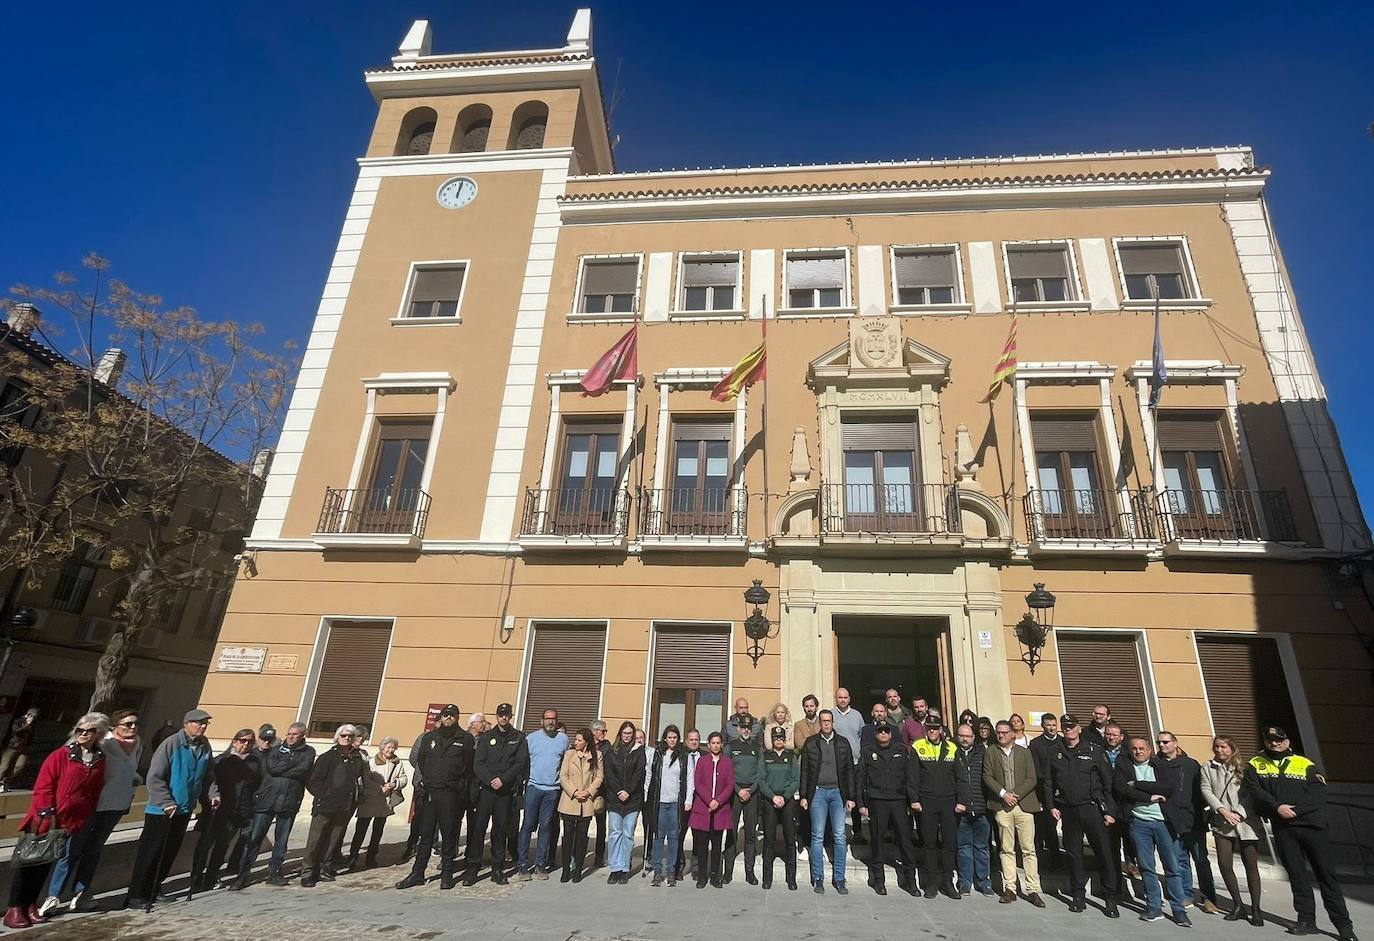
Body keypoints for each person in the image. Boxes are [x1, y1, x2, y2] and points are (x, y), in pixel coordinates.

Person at [1244, 726, 1356, 941]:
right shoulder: (1255, 764)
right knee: (1296, 876)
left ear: (1287, 741)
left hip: (1313, 827)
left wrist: (1293, 811)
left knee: (1326, 876)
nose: (1274, 743)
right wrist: (1277, 808)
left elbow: (1317, 793)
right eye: (1270, 740)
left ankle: (1343, 926)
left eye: (1278, 740)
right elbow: (1255, 791)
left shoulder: (1304, 763)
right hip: (1284, 829)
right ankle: (1306, 920)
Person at [8, 713, 107, 929]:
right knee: (29, 863)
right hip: (46, 819)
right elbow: (44, 785)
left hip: (70, 822)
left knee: (45, 863)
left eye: (88, 731)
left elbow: (95, 788)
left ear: (97, 734)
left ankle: (31, 904)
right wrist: (46, 811)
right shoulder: (61, 755)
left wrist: (88, 810)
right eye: (79, 729)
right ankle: (15, 908)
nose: (82, 734)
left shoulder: (98, 758)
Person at [51, 708, 142, 912]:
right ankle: (53, 896)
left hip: (116, 806)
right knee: (72, 850)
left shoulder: (137, 744)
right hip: (91, 805)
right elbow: (73, 755)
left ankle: (82, 894)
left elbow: (130, 770)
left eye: (136, 723)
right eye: (128, 724)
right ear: (115, 727)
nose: (133, 727)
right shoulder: (104, 741)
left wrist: (134, 782)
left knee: (94, 850)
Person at [125, 709, 213, 908]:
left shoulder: (204, 745)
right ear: (187, 724)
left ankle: (155, 888)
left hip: (184, 808)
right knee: (150, 853)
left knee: (169, 852)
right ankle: (136, 894)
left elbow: (209, 775)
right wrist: (165, 801)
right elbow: (154, 777)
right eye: (199, 723)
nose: (203, 726)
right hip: (162, 810)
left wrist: (213, 794)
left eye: (206, 723)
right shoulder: (171, 743)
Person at [1045, 714, 1120, 918]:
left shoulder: (1094, 751)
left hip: (1092, 809)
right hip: (1068, 810)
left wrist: (1110, 811)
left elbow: (1108, 784)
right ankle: (1078, 895)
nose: (1068, 730)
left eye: (1071, 726)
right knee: (1074, 854)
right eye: (1065, 727)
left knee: (1104, 853)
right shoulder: (1055, 752)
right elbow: (1049, 782)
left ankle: (1111, 898)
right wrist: (1051, 805)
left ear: (1079, 728)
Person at [396, 704, 474, 890]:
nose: (448, 718)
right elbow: (421, 761)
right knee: (426, 836)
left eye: (452, 715)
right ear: (441, 717)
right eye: (445, 715)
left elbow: (469, 766)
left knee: (448, 835)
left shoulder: (465, 739)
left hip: (450, 794)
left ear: (457, 718)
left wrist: (459, 787)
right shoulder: (430, 738)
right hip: (430, 792)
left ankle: (447, 873)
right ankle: (417, 873)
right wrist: (426, 782)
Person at [1114, 734, 1189, 926]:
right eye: (1134, 749)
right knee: (1147, 868)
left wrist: (1138, 784)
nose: (1138, 752)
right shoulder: (1124, 766)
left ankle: (1178, 910)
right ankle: (1154, 907)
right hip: (1138, 823)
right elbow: (1121, 789)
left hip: (1163, 823)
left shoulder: (1160, 765)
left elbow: (1167, 787)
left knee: (1172, 868)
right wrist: (1150, 797)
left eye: (1142, 748)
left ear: (1149, 750)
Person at [233, 721, 314, 889]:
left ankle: (274, 872)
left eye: (295, 735)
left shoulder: (308, 751)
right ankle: (243, 874)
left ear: (302, 736)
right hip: (266, 800)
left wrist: (284, 767)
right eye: (288, 734)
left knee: (281, 841)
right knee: (254, 838)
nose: (290, 737)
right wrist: (290, 765)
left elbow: (303, 769)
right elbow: (272, 768)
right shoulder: (275, 750)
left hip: (289, 801)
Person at [190, 728, 262, 893]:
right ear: (235, 741)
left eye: (250, 741)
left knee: (222, 846)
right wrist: (210, 801)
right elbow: (206, 784)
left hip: (238, 812)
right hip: (215, 811)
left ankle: (211, 877)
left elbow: (257, 786)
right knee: (205, 845)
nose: (245, 744)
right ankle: (196, 877)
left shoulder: (255, 763)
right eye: (242, 740)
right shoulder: (221, 761)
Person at [1201, 735, 1263, 926]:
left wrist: (1239, 813)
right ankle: (1238, 905)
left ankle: (1256, 908)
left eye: (1223, 747)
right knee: (1224, 864)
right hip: (1222, 821)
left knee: (1251, 865)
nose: (1219, 750)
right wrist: (1222, 810)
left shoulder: (1244, 768)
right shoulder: (1208, 767)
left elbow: (1251, 794)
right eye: (1217, 747)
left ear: (1232, 748)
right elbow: (1206, 789)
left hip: (1246, 822)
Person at [982, 719, 1045, 907]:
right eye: (998, 732)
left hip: (1024, 806)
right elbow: (987, 776)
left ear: (1012, 734)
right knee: (1006, 848)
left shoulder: (1024, 752)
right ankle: (1010, 888)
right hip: (1002, 806)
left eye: (1004, 732)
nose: (1001, 735)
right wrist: (1003, 794)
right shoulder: (991, 752)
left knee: (1028, 849)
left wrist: (1015, 795)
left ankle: (1033, 889)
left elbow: (1031, 778)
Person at [1154, 731, 1218, 912]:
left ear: (1175, 743)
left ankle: (1209, 898)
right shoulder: (1156, 764)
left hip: (1194, 820)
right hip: (1171, 819)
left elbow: (1202, 790)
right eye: (1159, 742)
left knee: (1201, 860)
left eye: (1166, 742)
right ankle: (1185, 895)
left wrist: (1205, 812)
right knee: (1180, 859)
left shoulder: (1191, 764)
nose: (1162, 745)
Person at [464, 703, 527, 885]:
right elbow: (478, 763)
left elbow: (519, 763)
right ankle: (473, 868)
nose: (504, 718)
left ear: (511, 716)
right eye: (501, 715)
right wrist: (491, 779)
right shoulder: (487, 737)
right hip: (486, 791)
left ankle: (497, 869)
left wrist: (504, 780)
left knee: (500, 831)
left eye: (507, 714)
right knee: (478, 829)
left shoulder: (518, 738)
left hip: (505, 793)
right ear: (497, 716)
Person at [299, 724, 366, 888]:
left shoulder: (357, 758)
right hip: (325, 806)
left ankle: (324, 868)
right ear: (337, 737)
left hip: (345, 806)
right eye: (344, 736)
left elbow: (359, 779)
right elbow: (313, 781)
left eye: (350, 736)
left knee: (332, 840)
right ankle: (307, 872)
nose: (347, 738)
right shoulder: (327, 757)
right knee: (315, 840)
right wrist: (324, 795)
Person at [857, 719, 917, 897]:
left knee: (905, 842)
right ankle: (879, 880)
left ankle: (910, 881)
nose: (883, 733)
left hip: (899, 800)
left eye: (886, 731)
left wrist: (911, 801)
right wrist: (861, 804)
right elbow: (861, 779)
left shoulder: (901, 751)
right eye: (880, 731)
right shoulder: (868, 752)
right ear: (875, 734)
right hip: (877, 801)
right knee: (877, 841)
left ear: (891, 734)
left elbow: (909, 778)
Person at [801, 708, 855, 895]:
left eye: (829, 721)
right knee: (817, 835)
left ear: (833, 723)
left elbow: (849, 771)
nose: (826, 723)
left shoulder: (843, 743)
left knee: (840, 836)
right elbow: (805, 771)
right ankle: (818, 878)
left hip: (838, 794)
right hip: (818, 794)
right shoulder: (810, 743)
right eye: (823, 721)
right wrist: (804, 796)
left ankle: (839, 878)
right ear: (819, 723)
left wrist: (851, 797)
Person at [913, 709, 961, 899]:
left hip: (949, 802)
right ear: (926, 729)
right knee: (929, 843)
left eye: (935, 728)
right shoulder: (918, 746)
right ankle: (931, 884)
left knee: (949, 843)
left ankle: (948, 882)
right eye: (930, 728)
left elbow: (959, 777)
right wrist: (914, 799)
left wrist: (961, 801)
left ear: (941, 730)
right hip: (927, 801)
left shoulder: (952, 748)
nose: (932, 731)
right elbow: (913, 776)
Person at [515, 708, 566, 881]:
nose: (550, 722)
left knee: (545, 827)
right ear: (541, 721)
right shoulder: (531, 739)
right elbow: (522, 763)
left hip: (552, 790)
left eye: (553, 719)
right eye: (547, 719)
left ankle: (540, 864)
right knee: (528, 826)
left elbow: (565, 764)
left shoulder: (563, 739)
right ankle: (522, 865)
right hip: (533, 788)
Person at [345, 736, 406, 871]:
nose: (390, 750)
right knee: (361, 830)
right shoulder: (372, 762)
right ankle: (353, 856)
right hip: (370, 799)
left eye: (392, 747)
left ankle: (372, 856)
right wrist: (380, 788)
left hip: (385, 802)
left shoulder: (398, 763)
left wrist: (394, 784)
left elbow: (403, 778)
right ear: (382, 748)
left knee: (378, 830)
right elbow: (366, 779)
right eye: (388, 747)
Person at [603, 720, 646, 884]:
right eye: (624, 733)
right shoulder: (612, 751)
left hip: (632, 800)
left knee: (628, 834)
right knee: (614, 834)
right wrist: (619, 791)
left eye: (630, 733)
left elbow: (639, 773)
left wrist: (628, 790)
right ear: (620, 734)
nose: (627, 736)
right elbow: (609, 773)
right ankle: (614, 868)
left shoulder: (638, 751)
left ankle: (624, 869)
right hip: (615, 799)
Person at [557, 728, 603, 883]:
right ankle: (565, 869)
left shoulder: (597, 756)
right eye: (575, 740)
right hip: (570, 800)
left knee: (582, 836)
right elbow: (563, 776)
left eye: (579, 740)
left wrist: (588, 792)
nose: (576, 742)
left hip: (586, 802)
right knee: (568, 835)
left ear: (587, 742)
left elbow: (599, 777)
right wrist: (574, 791)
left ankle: (578, 868)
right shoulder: (569, 755)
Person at [689, 731, 733, 889]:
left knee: (716, 845)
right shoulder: (702, 761)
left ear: (721, 745)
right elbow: (698, 782)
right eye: (713, 743)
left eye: (718, 743)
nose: (715, 745)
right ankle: (702, 875)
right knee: (701, 845)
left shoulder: (727, 762)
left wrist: (718, 801)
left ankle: (715, 875)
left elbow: (729, 785)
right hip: (704, 808)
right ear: (708, 745)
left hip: (720, 810)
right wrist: (710, 800)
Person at [953, 722, 993, 897]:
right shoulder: (953, 754)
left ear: (973, 737)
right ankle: (965, 882)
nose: (965, 739)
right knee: (964, 848)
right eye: (961, 735)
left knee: (982, 847)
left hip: (981, 808)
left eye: (968, 736)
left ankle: (984, 883)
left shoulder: (983, 753)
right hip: (962, 809)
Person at [759, 725, 800, 891]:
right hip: (770, 800)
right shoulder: (765, 756)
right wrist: (773, 796)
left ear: (784, 740)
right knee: (769, 841)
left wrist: (785, 796)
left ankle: (791, 879)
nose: (778, 741)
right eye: (776, 738)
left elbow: (796, 779)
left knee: (790, 840)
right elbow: (761, 779)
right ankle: (767, 879)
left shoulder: (791, 757)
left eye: (781, 738)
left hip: (787, 800)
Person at [646, 725, 687, 886]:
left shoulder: (682, 756)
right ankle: (657, 871)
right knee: (659, 837)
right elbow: (650, 775)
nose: (672, 740)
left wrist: (687, 800)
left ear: (678, 739)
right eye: (669, 737)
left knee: (674, 837)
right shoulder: (658, 755)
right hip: (660, 802)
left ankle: (671, 871)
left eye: (675, 737)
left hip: (675, 803)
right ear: (665, 738)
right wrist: (646, 796)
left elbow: (687, 779)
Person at [723, 714, 762, 885]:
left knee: (751, 834)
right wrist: (738, 790)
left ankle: (749, 872)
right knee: (731, 833)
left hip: (752, 794)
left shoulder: (757, 747)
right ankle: (728, 871)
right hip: (735, 793)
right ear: (738, 729)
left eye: (748, 727)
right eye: (743, 727)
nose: (746, 730)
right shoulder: (730, 747)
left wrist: (750, 790)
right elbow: (726, 772)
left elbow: (761, 773)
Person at [829, 688, 864, 845]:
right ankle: (834, 832)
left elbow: (861, 737)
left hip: (855, 763)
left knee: (854, 796)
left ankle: (857, 832)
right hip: (837, 764)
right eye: (840, 697)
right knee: (836, 798)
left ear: (849, 699)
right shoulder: (831, 715)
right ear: (836, 698)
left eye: (845, 697)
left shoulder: (857, 715)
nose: (842, 700)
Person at [1028, 713, 1062, 869]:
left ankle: (1062, 858)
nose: (1052, 728)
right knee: (1045, 825)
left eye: (1054, 725)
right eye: (1048, 725)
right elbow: (1035, 769)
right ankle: (1047, 858)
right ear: (1042, 726)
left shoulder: (1063, 742)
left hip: (1062, 789)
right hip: (1042, 789)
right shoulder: (1035, 744)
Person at [791, 694, 821, 854]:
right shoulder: (799, 724)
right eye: (806, 706)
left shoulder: (822, 721)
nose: (809, 708)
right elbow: (799, 743)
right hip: (804, 767)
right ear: (803, 708)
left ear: (816, 706)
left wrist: (812, 741)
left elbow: (823, 740)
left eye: (812, 705)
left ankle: (819, 842)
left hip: (821, 769)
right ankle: (803, 841)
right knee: (803, 805)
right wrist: (816, 740)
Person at [675, 729, 702, 882]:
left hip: (700, 802)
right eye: (691, 739)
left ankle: (696, 868)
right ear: (686, 741)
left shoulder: (704, 756)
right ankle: (679, 867)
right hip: (682, 802)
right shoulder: (680, 757)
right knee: (679, 835)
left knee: (698, 837)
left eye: (696, 740)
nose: (693, 742)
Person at [0, 707, 40, 792]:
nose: (33, 719)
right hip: (13, 747)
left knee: (19, 765)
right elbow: (16, 732)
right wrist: (27, 725)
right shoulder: (18, 721)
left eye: (35, 717)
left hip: (23, 749)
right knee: (4, 767)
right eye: (33, 716)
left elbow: (31, 737)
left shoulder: (33, 724)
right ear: (28, 715)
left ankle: (5, 782)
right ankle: (2, 782)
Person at [589, 720, 611, 870]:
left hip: (602, 792)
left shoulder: (608, 748)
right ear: (595, 732)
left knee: (601, 826)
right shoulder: (585, 745)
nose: (604, 733)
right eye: (603, 731)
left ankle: (599, 857)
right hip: (584, 791)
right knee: (580, 825)